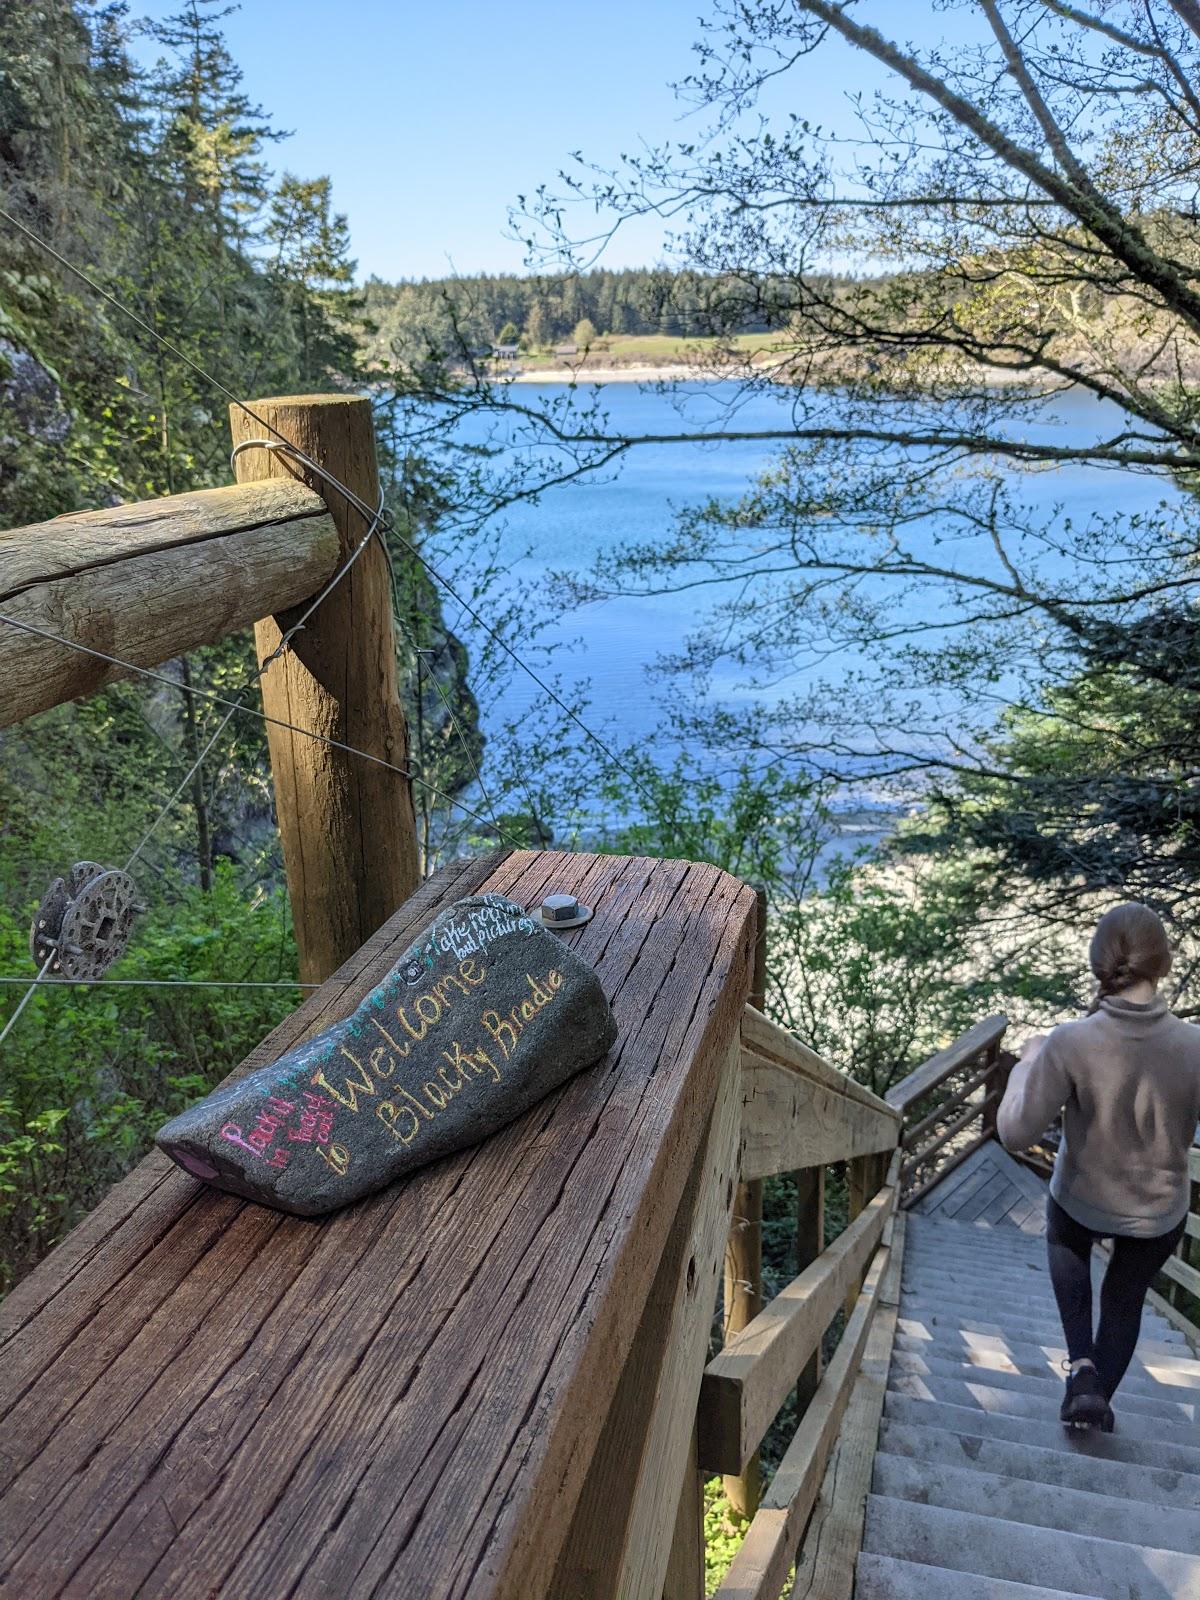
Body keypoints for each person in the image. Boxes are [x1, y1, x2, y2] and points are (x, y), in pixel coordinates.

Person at [997, 903, 1200, 1430]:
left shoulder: (1070, 1041)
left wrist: (1027, 1065)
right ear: (1164, 963)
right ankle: (1093, 1397)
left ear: (1098, 964)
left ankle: (1081, 1371)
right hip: (1158, 1214)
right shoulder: (1195, 1047)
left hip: (1083, 1200)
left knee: (1064, 1238)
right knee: (1125, 1297)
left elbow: (1016, 1133)